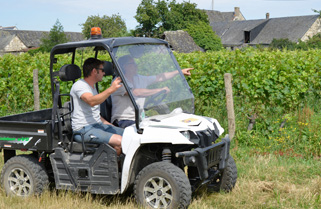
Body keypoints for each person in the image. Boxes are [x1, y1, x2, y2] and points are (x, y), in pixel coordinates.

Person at [111, 55, 193, 128]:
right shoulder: (118, 82)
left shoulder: (139, 78)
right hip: (123, 120)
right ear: (125, 66)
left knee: (164, 125)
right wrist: (159, 90)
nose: (136, 66)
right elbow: (136, 92)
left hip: (139, 118)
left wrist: (180, 72)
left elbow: (159, 77)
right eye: (133, 64)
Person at [70, 58, 123, 155]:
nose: (104, 73)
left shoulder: (92, 87)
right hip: (83, 130)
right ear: (95, 71)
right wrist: (111, 89)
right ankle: (114, 169)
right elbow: (91, 101)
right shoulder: (80, 86)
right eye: (102, 70)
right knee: (120, 141)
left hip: (97, 125)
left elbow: (96, 115)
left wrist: (111, 126)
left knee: (128, 135)